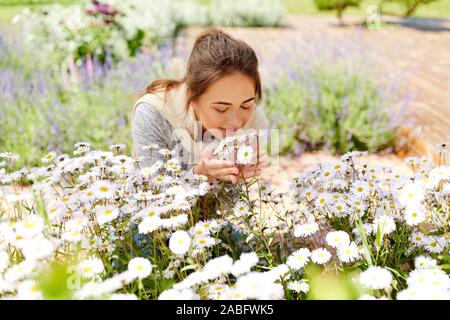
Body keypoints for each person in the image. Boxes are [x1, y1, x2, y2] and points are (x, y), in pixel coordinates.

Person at [131, 28, 270, 184]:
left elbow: (229, 202)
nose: (236, 121)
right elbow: (149, 190)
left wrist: (237, 175)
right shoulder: (153, 113)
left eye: (246, 106)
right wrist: (200, 174)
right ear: (192, 97)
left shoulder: (254, 118)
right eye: (221, 108)